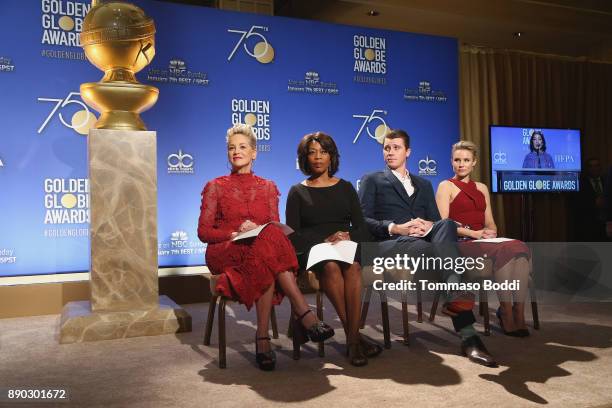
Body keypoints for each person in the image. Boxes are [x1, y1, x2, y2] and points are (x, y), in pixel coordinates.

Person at [197, 124, 334, 371]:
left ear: (254, 153)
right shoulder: (215, 186)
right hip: (224, 250)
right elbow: (204, 233)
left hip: (259, 249)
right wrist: (235, 232)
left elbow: (272, 226)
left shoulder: (268, 187)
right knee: (268, 247)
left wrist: (257, 228)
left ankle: (262, 338)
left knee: (267, 243)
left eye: (242, 147)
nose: (236, 152)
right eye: (231, 148)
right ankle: (304, 312)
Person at [359, 129, 496, 367]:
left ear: (408, 152)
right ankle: (468, 335)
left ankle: (458, 304)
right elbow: (363, 221)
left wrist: (427, 225)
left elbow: (436, 221)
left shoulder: (423, 183)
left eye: (396, 148)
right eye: (386, 148)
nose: (390, 152)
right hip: (390, 243)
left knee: (445, 225)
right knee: (436, 251)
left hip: (421, 242)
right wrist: (396, 227)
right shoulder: (373, 179)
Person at [286, 132, 383, 367]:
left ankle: (352, 339)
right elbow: (293, 236)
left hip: (347, 245)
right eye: (312, 152)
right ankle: (354, 340)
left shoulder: (346, 187)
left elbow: (362, 227)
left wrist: (347, 235)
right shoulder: (297, 192)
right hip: (316, 249)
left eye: (324, 152)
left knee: (353, 266)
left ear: (332, 157)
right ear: (304, 158)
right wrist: (323, 240)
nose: (318, 157)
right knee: (330, 266)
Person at [436, 141, 531, 337]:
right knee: (506, 250)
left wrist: (491, 233)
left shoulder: (482, 188)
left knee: (519, 248)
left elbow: (490, 222)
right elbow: (443, 226)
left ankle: (518, 313)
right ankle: (505, 311)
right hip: (461, 242)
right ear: (451, 162)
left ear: (474, 163)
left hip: (484, 240)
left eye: (466, 160)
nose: (461, 164)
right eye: (457, 160)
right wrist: (475, 234)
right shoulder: (446, 186)